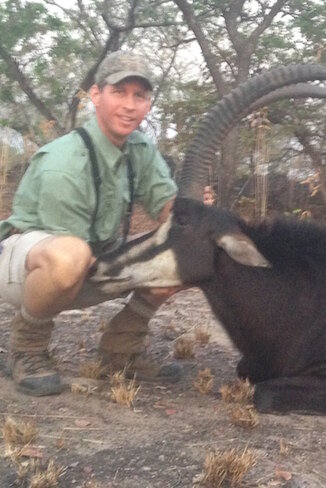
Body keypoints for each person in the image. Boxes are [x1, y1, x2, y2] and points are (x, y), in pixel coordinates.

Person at [0, 51, 203, 396]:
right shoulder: (64, 161)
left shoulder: (139, 147)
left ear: (148, 103)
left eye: (139, 96)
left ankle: (119, 353)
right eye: (119, 92)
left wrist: (193, 216)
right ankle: (27, 348)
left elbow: (169, 209)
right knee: (71, 257)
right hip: (27, 268)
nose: (129, 105)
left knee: (190, 246)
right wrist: (140, 263)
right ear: (96, 95)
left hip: (92, 259)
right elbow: (75, 257)